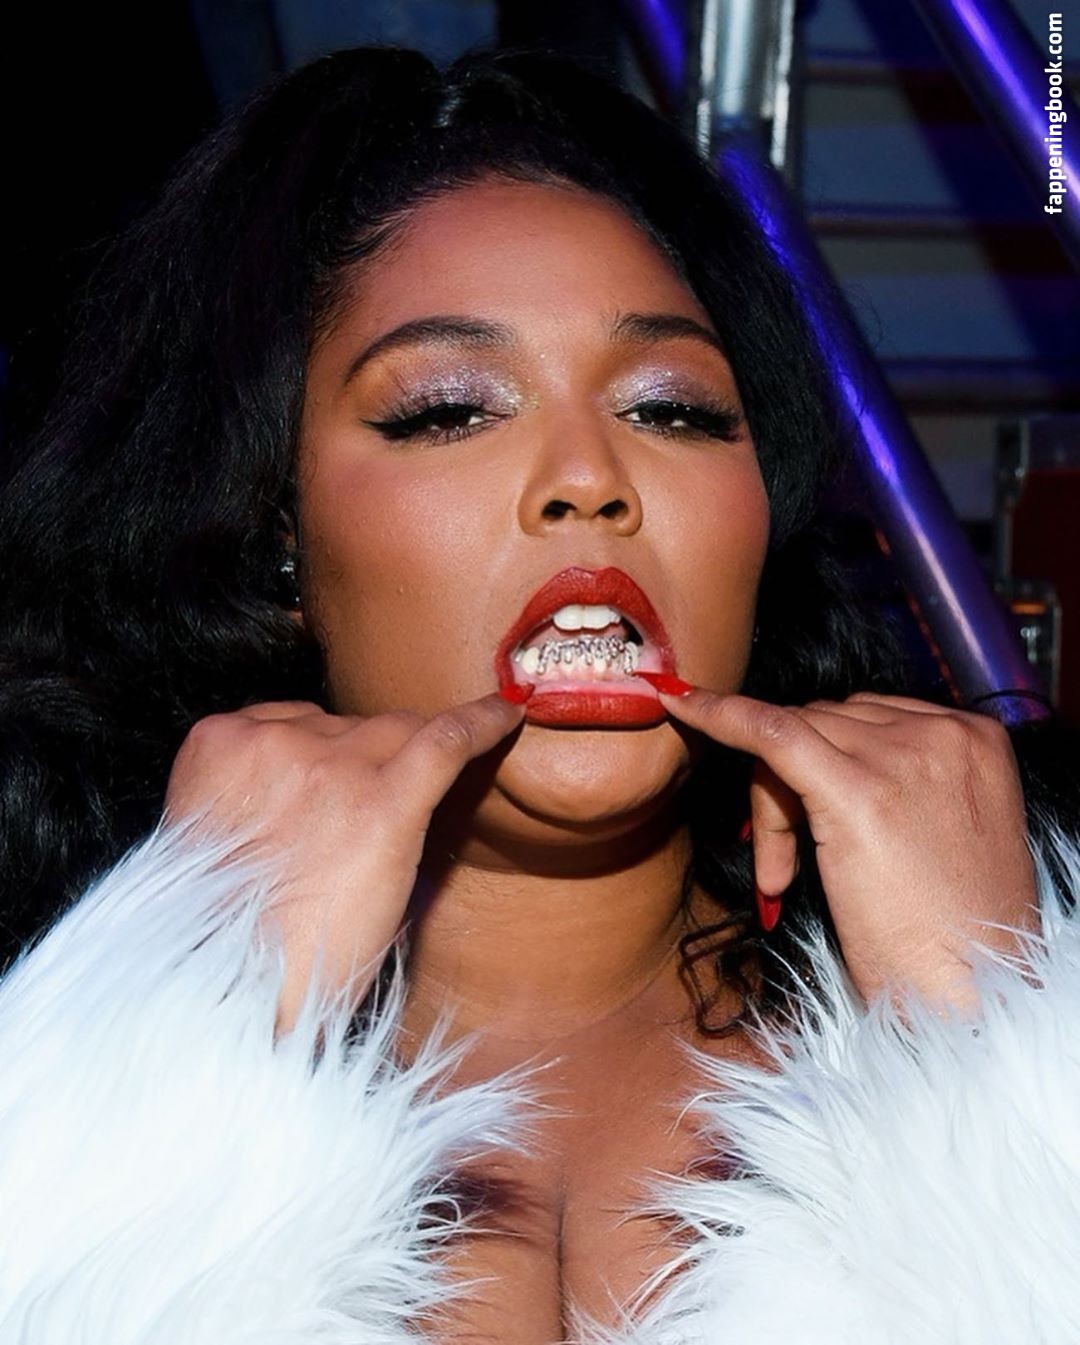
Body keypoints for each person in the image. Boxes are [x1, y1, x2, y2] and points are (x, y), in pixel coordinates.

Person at [1, 43, 1079, 1345]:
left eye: (673, 409)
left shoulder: (1011, 956)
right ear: (276, 537)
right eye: (450, 409)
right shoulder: (51, 1034)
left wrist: (994, 1033)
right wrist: (183, 1016)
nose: (588, 477)